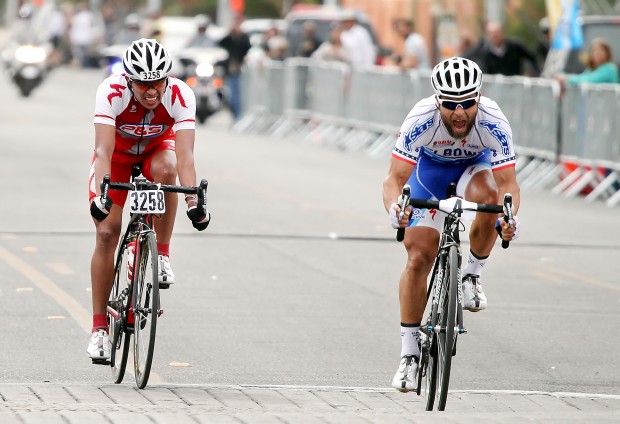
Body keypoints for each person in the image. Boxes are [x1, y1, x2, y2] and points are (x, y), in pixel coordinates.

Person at [382, 57, 521, 392]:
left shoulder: (493, 119)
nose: (459, 113)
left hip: (474, 170)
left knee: (488, 197)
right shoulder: (421, 118)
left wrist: (509, 217)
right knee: (418, 257)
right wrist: (395, 210)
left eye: (467, 104)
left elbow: (508, 185)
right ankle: (410, 355)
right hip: (428, 175)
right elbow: (394, 180)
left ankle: (472, 272)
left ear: (479, 97)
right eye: (450, 105)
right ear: (437, 100)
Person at [87, 38, 211, 361]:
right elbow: (102, 151)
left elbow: (185, 157)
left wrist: (193, 204)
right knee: (106, 232)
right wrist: (102, 195)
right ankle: (100, 329)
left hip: (156, 153)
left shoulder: (181, 95)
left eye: (157, 81)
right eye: (143, 83)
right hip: (117, 158)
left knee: (168, 170)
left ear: (167, 78)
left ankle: (163, 254)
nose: (151, 90)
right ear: (129, 80)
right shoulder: (111, 92)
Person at [218, 14, 252, 121]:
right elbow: (221, 42)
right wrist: (230, 32)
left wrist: (240, 35)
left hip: (240, 68)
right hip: (231, 68)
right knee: (231, 95)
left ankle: (238, 116)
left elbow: (247, 46)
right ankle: (235, 116)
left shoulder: (244, 37)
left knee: (237, 95)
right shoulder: (230, 37)